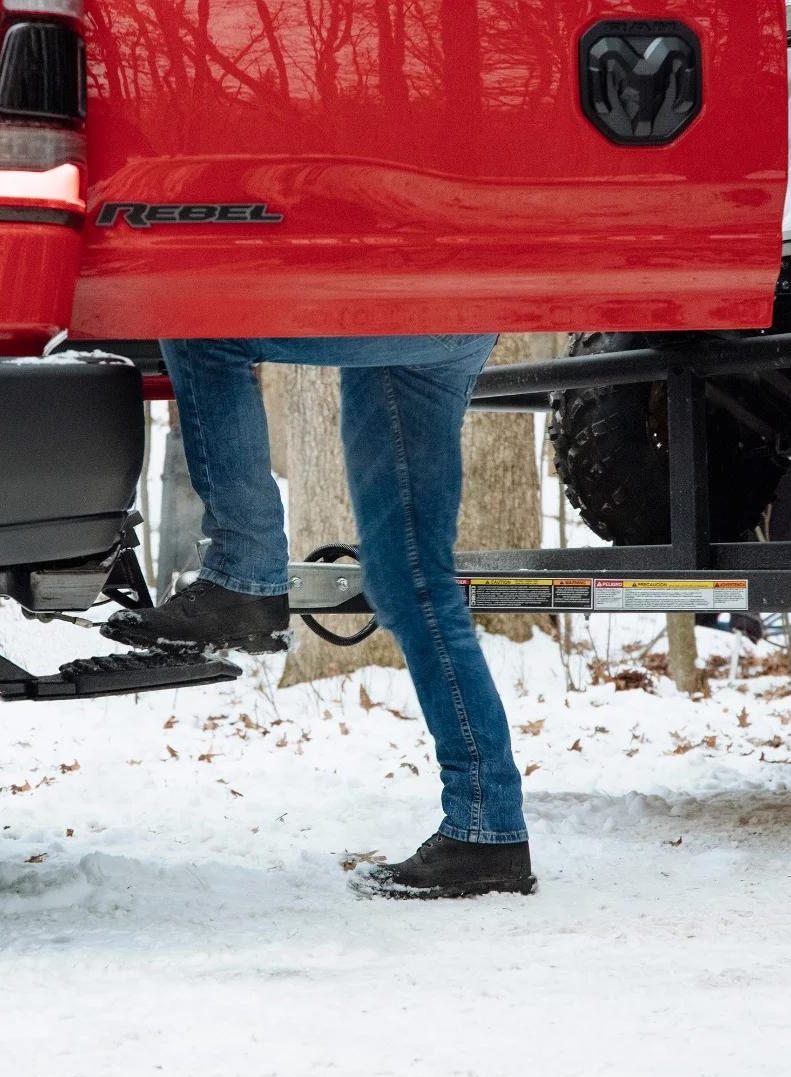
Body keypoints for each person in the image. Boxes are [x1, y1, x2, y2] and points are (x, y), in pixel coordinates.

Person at [103, 336, 536, 899]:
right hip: (447, 321)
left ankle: (245, 576)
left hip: (416, 308)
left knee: (203, 335)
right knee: (409, 581)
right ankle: (488, 832)